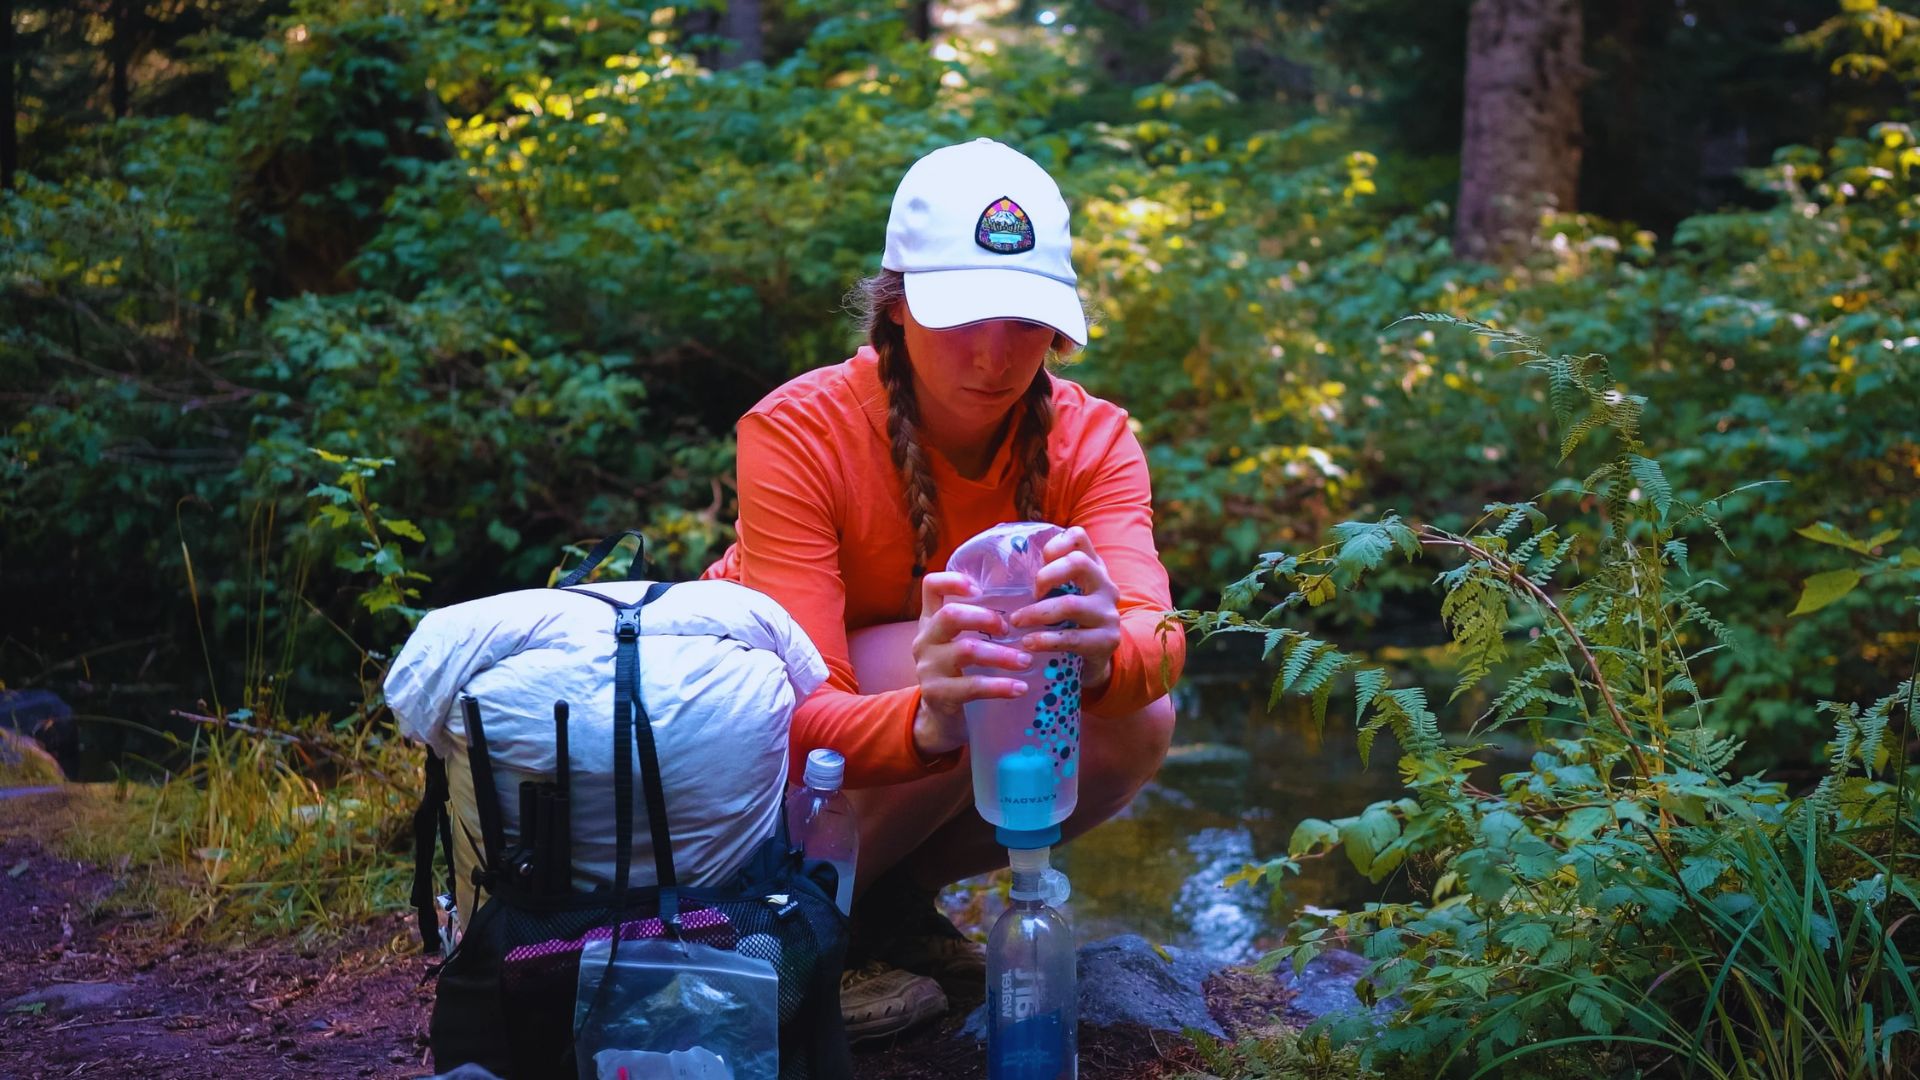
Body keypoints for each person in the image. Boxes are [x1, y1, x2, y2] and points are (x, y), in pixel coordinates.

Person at [703, 137, 1185, 1039]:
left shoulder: (1096, 439)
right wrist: (930, 718)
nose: (997, 356)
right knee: (976, 660)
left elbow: (1157, 639)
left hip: (913, 734)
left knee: (1137, 720)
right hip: (768, 757)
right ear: (896, 309)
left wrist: (1099, 654)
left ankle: (884, 905)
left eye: (1024, 318)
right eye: (963, 315)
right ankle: (777, 928)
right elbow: (796, 710)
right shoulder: (798, 432)